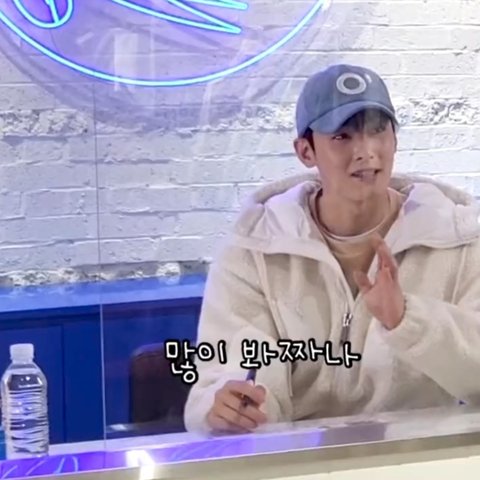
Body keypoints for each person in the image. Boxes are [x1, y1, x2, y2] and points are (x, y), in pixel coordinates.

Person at [183, 63, 480, 435]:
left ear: (395, 139)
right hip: (298, 457)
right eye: (342, 136)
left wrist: (408, 320)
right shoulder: (254, 247)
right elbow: (234, 371)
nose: (366, 151)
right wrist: (233, 407)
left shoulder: (458, 237)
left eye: (378, 130)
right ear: (306, 151)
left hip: (418, 455)